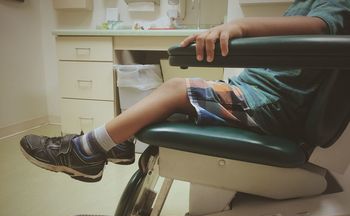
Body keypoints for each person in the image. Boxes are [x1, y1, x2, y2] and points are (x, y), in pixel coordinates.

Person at [20, 0, 350, 182]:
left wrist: (239, 26)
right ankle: (119, 143)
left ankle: (85, 151)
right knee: (166, 98)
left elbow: (322, 28)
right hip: (258, 93)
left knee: (176, 88)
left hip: (271, 105)